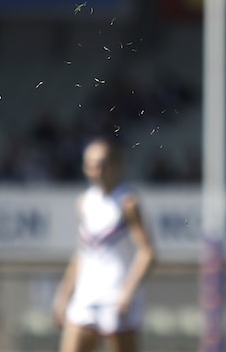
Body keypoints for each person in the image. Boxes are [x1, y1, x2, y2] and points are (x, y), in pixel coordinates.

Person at [52, 136, 156, 352]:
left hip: (114, 297)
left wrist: (127, 291)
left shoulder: (127, 202)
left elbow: (147, 253)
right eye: (90, 165)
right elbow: (82, 252)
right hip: (86, 294)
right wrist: (63, 294)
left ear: (115, 165)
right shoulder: (84, 202)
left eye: (102, 164)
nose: (96, 170)